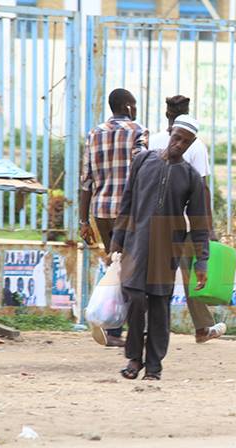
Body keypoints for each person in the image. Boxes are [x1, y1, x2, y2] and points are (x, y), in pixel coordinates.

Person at [111, 115, 210, 380]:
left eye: (185, 142)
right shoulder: (143, 160)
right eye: (177, 138)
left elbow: (200, 223)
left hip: (168, 249)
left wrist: (201, 262)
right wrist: (116, 241)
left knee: (158, 305)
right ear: (170, 133)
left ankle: (153, 366)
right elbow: (127, 202)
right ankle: (134, 358)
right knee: (134, 300)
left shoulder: (191, 177)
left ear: (192, 144)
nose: (179, 145)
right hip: (136, 243)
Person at [148, 95, 226, 344]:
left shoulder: (153, 140)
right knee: (193, 275)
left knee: (157, 277)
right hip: (187, 224)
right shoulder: (195, 144)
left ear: (166, 113)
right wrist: (208, 227)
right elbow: (202, 189)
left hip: (157, 222)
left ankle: (151, 328)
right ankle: (203, 328)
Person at [79, 88, 148, 348]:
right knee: (132, 270)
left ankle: (114, 326)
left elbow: (86, 180)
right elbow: (142, 169)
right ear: (128, 106)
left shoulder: (94, 133)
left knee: (115, 266)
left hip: (102, 211)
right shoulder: (138, 130)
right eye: (135, 105)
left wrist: (84, 221)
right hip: (129, 212)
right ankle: (129, 330)